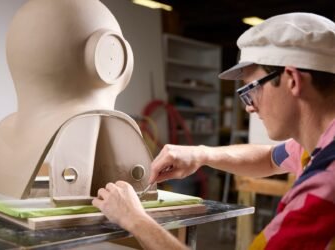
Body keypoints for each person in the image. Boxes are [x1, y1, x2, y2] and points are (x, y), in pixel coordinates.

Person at [92, 12, 335, 249]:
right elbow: (270, 158)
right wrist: (201, 155)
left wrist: (134, 219)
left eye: (251, 90)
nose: (250, 108)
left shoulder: (325, 183)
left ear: (292, 79)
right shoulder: (319, 144)